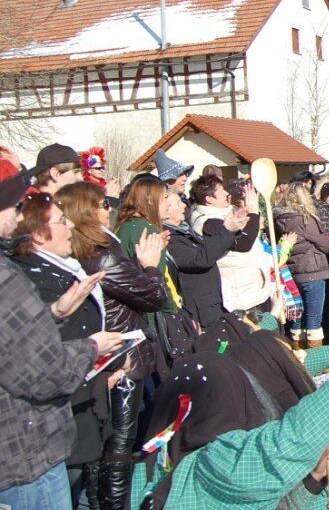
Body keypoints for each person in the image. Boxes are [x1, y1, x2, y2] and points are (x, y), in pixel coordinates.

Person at [130, 290, 329, 509]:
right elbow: (290, 440)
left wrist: (313, 477)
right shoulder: (216, 467)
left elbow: (279, 495)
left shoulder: (169, 447)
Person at [0, 165, 123, 510]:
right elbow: (44, 373)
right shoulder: (6, 278)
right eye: (14, 204)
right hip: (23, 459)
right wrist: (93, 348)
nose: (17, 213)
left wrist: (53, 313)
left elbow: (11, 344)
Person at [57, 181, 168, 508]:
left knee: (104, 444)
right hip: (120, 359)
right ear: (86, 211)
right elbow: (153, 296)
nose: (110, 208)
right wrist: (149, 265)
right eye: (102, 203)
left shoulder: (93, 250)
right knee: (117, 445)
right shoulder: (100, 256)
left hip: (110, 356)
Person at [114, 175, 195, 377]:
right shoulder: (147, 229)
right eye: (164, 197)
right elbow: (156, 278)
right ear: (150, 200)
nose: (168, 203)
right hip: (155, 318)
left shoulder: (125, 226)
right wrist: (176, 313)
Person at [189, 176, 271, 315]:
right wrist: (253, 213)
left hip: (250, 289)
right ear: (209, 199)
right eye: (221, 190)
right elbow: (244, 244)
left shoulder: (220, 215)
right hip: (241, 295)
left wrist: (247, 214)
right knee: (257, 334)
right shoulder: (207, 222)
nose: (227, 194)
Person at [164, 188, 244, 329]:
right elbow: (201, 258)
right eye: (178, 203)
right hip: (202, 313)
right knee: (219, 347)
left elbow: (208, 248)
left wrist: (232, 229)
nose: (184, 205)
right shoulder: (169, 239)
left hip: (212, 304)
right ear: (165, 210)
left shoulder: (184, 231)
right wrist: (226, 230)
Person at [275, 183, 329, 349]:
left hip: (292, 272)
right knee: (314, 317)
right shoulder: (304, 219)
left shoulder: (279, 220)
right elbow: (325, 245)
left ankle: (297, 350)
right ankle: (315, 356)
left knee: (297, 316)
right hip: (312, 271)